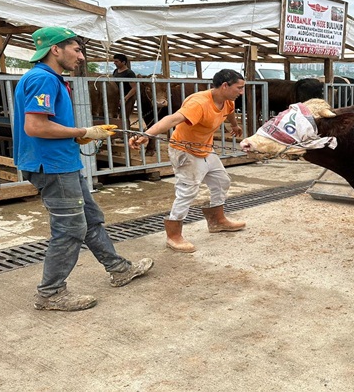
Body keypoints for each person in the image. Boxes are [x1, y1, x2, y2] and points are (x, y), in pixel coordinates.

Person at [13, 27, 153, 312]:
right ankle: (51, 293)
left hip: (62, 161)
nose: (81, 56)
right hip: (53, 165)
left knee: (90, 218)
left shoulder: (51, 78)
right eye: (76, 50)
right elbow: (35, 126)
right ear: (55, 49)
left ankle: (119, 268)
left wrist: (79, 136)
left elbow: (46, 124)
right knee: (70, 228)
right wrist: (83, 130)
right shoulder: (42, 78)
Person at [128, 69, 246, 253]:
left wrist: (235, 125)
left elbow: (228, 112)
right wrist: (146, 134)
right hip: (184, 150)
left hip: (205, 148)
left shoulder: (227, 100)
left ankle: (217, 221)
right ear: (225, 86)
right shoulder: (199, 102)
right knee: (187, 191)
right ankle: (173, 236)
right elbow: (172, 118)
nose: (242, 92)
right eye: (239, 88)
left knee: (222, 181)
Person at [112, 53, 138, 122]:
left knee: (124, 117)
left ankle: (126, 131)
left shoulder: (129, 73)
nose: (114, 63)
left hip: (128, 97)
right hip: (118, 97)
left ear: (123, 62)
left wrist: (125, 98)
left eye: (116, 61)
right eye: (114, 61)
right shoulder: (115, 71)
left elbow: (134, 88)